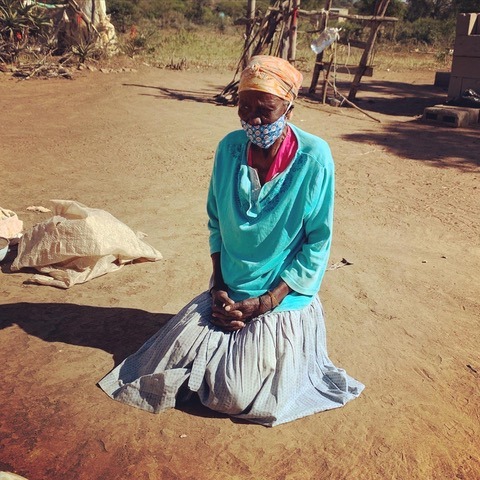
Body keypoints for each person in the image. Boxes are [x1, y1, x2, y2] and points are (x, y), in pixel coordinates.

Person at [98, 55, 364, 426]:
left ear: (290, 107)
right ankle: (230, 335)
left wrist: (266, 301)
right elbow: (216, 222)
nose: (253, 120)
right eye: (245, 108)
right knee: (165, 362)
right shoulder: (229, 149)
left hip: (280, 296)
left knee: (230, 394)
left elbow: (317, 241)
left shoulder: (314, 157)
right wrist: (218, 287)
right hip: (230, 288)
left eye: (265, 110)